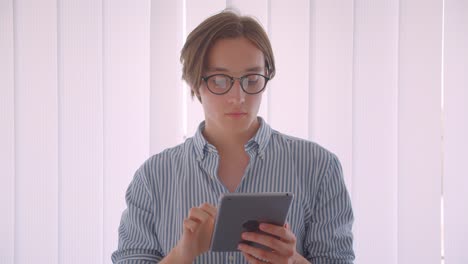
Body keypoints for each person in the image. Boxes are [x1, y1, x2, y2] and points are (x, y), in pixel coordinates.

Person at [112, 9, 354, 264]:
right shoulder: (153, 178)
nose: (238, 97)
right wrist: (182, 254)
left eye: (251, 79)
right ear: (195, 82)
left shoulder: (319, 167)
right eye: (219, 80)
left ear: (267, 76)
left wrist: (293, 261)